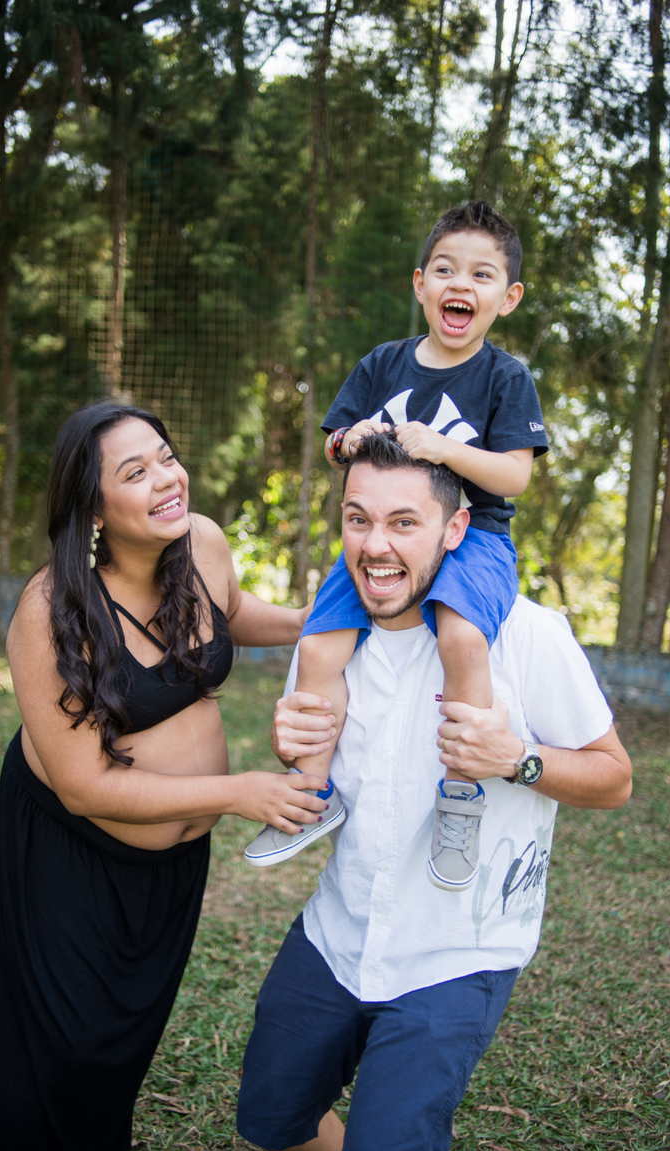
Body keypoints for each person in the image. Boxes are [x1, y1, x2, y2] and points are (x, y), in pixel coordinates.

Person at [236, 431, 632, 1151]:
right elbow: (322, 777)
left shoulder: (525, 635)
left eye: (403, 523)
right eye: (357, 520)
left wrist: (516, 758)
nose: (374, 546)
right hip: (338, 930)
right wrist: (291, 748)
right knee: (272, 1114)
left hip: (456, 954)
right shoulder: (329, 641)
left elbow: (613, 779)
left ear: (454, 530)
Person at [0, 402, 329, 1151]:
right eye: (135, 472)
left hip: (171, 870)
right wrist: (240, 792)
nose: (166, 479)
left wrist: (311, 622)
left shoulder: (204, 544)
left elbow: (232, 614)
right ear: (92, 507)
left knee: (115, 1051)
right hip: (71, 861)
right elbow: (83, 784)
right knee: (60, 1053)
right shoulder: (51, 611)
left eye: (165, 456)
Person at [244, 201, 549, 890]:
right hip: (382, 536)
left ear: (507, 298)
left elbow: (514, 476)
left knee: (462, 639)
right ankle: (312, 792)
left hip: (474, 536)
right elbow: (336, 442)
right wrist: (346, 440)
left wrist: (443, 448)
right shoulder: (382, 363)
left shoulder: (506, 378)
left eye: (481, 274)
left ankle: (460, 795)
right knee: (318, 648)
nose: (459, 284)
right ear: (420, 284)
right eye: (444, 269)